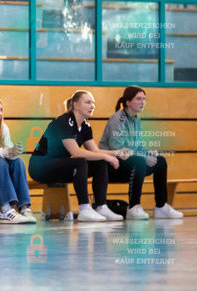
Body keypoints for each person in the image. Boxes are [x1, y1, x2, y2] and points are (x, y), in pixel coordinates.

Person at [29, 90, 132, 222]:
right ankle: (84, 208)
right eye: (88, 102)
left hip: (59, 166)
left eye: (93, 103)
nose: (92, 106)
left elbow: (95, 151)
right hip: (40, 166)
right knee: (80, 161)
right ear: (76, 105)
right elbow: (76, 152)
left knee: (99, 162)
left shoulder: (85, 127)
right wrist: (107, 157)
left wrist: (117, 153)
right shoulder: (63, 122)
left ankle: (101, 207)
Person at [99, 86, 183, 219]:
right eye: (138, 99)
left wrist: (148, 153)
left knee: (160, 161)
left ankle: (161, 207)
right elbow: (119, 150)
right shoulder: (117, 119)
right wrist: (143, 157)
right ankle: (134, 207)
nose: (142, 102)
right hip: (110, 166)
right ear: (128, 102)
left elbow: (138, 148)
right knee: (139, 161)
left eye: (144, 99)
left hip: (130, 162)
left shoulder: (136, 120)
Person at [0, 97, 36, 223]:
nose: (0, 113)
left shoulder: (3, 127)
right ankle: (6, 209)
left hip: (0, 169)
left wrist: (15, 153)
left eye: (1, 110)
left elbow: (8, 149)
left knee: (18, 162)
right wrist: (8, 151)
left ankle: (24, 207)